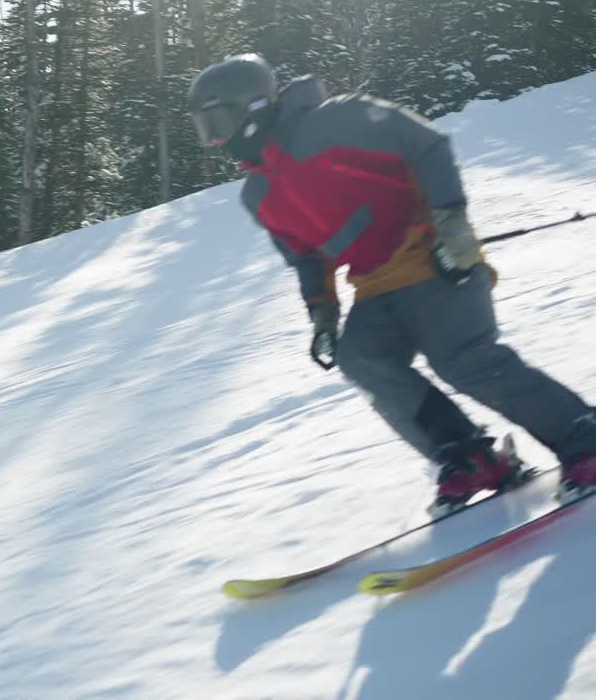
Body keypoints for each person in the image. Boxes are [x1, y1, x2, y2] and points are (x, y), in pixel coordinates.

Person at [186, 52, 596, 515]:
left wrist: (452, 227)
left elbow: (427, 145)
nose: (217, 140)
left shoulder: (337, 119)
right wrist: (322, 311)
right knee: (361, 358)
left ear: (254, 107)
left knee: (463, 360)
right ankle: (468, 455)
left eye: (219, 122)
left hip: (434, 259)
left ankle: (582, 433)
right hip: (377, 287)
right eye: (205, 130)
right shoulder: (257, 193)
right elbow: (305, 255)